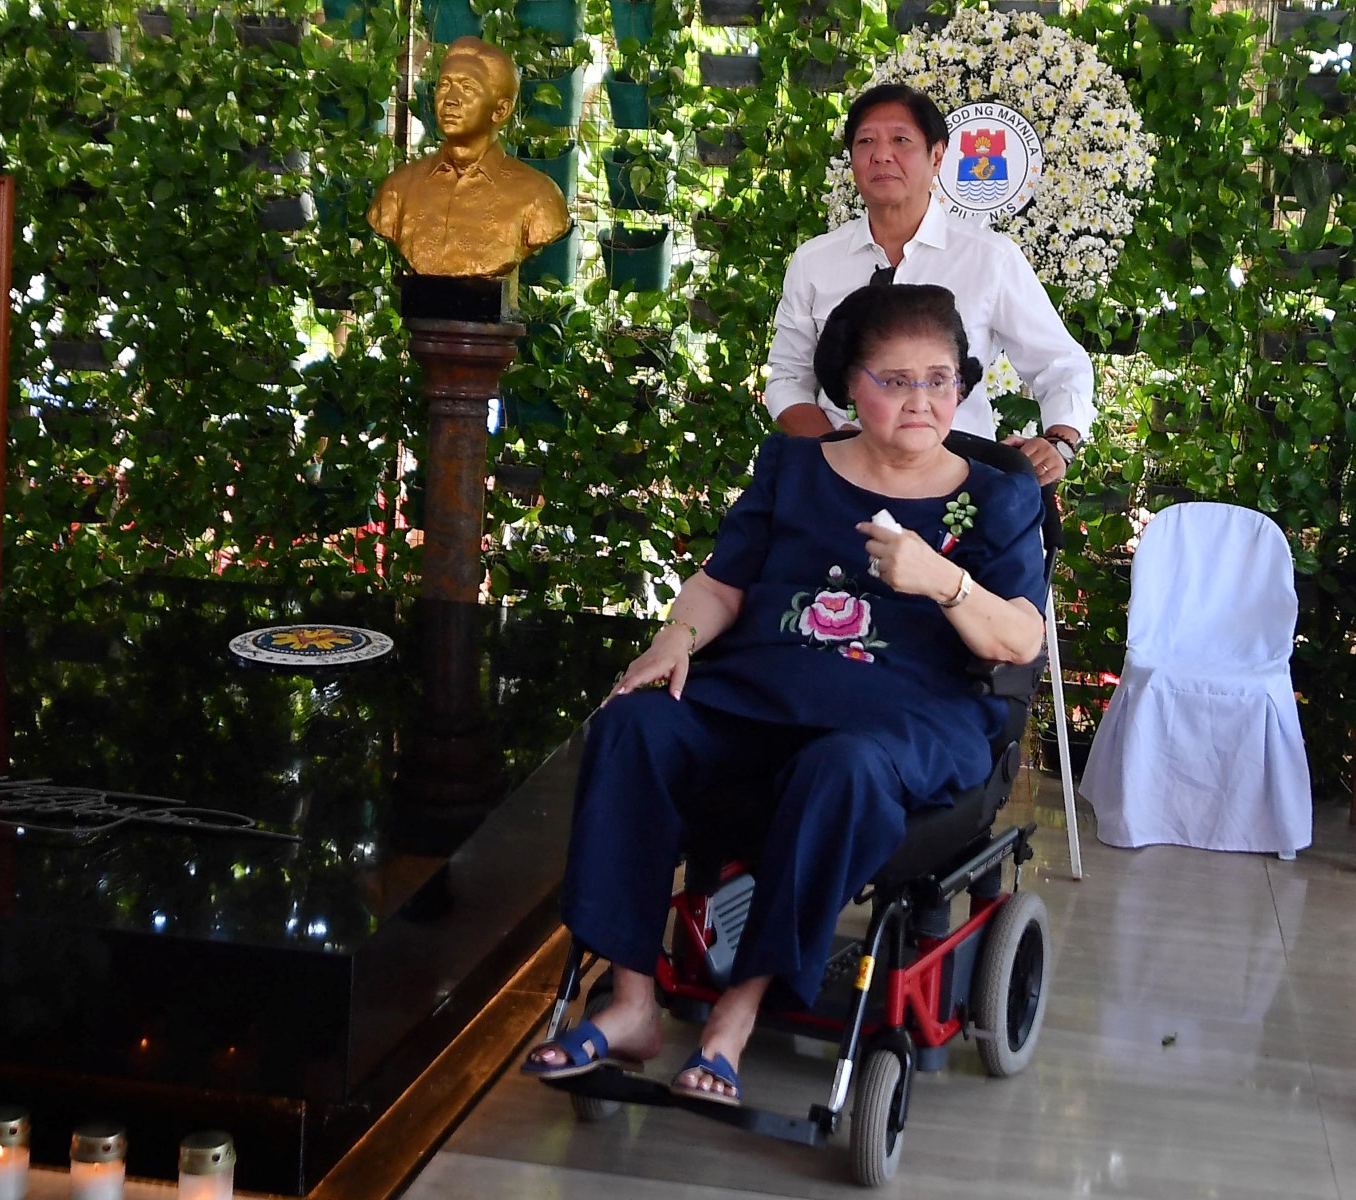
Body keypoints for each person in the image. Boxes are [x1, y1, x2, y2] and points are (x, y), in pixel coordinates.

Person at [522, 284, 1046, 1105]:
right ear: (849, 385)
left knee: (839, 768)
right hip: (761, 696)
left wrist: (941, 578)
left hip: (906, 718)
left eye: (941, 380)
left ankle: (734, 1019)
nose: (923, 400)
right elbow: (721, 584)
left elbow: (1020, 638)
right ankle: (631, 1004)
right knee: (633, 726)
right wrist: (675, 638)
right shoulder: (794, 467)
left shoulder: (995, 496)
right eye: (895, 379)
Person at [765, 84, 1094, 486]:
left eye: (900, 140)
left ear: (937, 155)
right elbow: (787, 377)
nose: (881, 154)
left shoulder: (989, 257)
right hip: (836, 481)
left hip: (958, 484)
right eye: (866, 141)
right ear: (852, 158)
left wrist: (1060, 441)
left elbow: (1060, 363)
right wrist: (838, 447)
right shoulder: (814, 261)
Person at [367, 37, 570, 277]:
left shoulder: (538, 197)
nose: (450, 99)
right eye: (444, 85)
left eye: (468, 88)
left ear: (500, 110)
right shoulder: (398, 189)